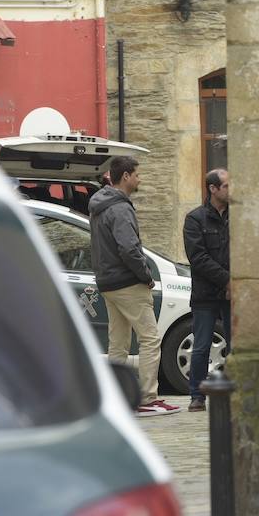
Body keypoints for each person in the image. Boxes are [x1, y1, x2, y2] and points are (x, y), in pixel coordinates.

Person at [90, 155, 181, 417]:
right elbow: (129, 248)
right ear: (126, 176)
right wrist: (145, 275)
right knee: (150, 339)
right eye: (138, 175)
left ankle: (116, 397)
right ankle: (147, 398)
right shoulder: (120, 208)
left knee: (117, 343)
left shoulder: (99, 205)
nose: (140, 179)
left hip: (107, 282)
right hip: (128, 283)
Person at [183, 169, 231, 412]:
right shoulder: (195, 219)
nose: (231, 190)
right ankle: (197, 395)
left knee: (236, 346)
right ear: (213, 189)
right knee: (201, 347)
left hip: (232, 294)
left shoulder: (237, 216)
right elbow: (198, 257)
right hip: (205, 294)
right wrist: (227, 280)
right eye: (226, 186)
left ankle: (234, 393)